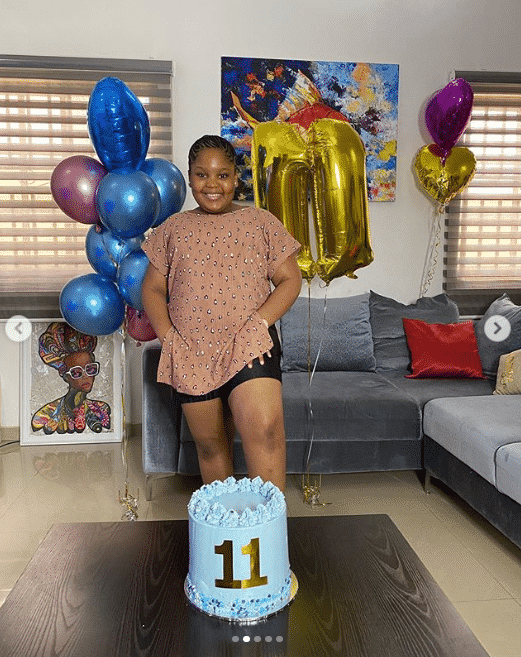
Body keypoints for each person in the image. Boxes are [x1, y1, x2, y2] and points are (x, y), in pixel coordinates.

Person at [141, 135, 302, 491]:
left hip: (249, 344)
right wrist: (169, 337)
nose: (212, 184)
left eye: (222, 175)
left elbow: (290, 279)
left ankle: (270, 520)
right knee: (211, 446)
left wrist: (259, 324)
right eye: (202, 175)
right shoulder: (173, 229)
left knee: (265, 430)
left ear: (235, 178)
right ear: (190, 177)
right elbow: (151, 289)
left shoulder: (261, 222)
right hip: (191, 351)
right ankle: (224, 520)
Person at [31, 322, 111, 434]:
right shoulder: (47, 413)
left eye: (90, 369)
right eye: (77, 372)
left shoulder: (100, 409)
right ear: (65, 376)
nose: (86, 376)